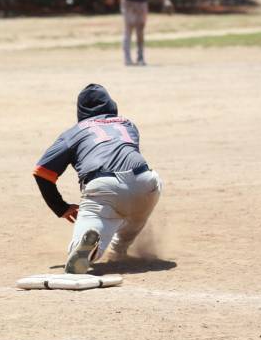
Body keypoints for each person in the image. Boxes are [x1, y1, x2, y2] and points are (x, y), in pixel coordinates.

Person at [32, 84, 163, 274]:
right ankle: (119, 251)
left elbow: (42, 172)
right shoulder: (127, 124)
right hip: (145, 183)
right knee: (135, 215)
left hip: (103, 187)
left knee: (90, 233)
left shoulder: (74, 132)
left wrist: (60, 207)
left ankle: (90, 246)